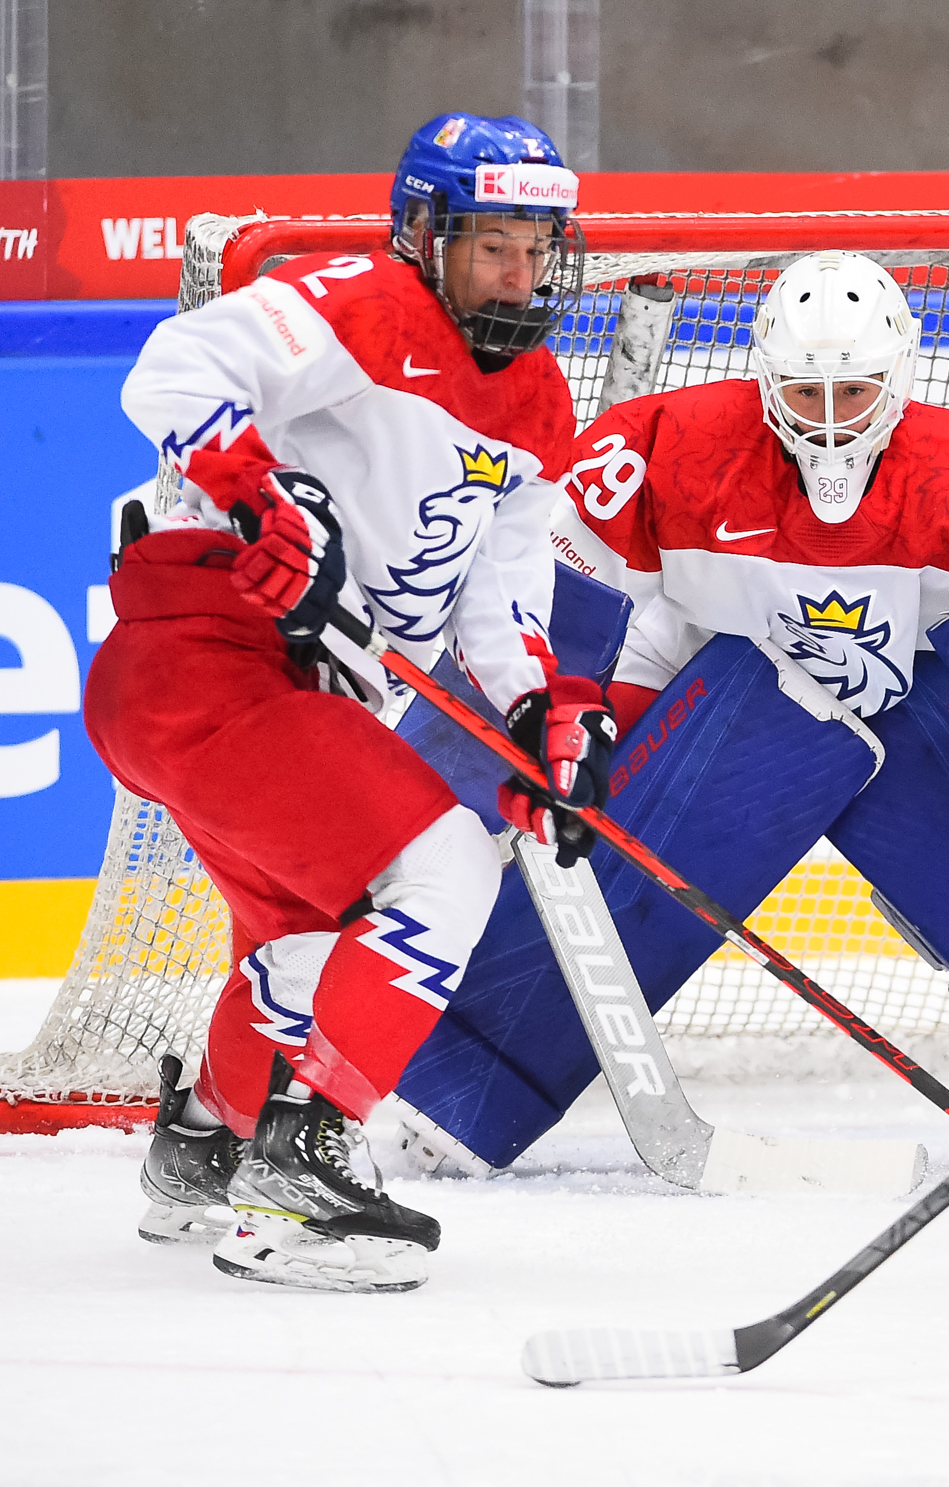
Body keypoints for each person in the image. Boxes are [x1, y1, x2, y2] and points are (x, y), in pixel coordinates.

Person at [384, 251, 949, 1247]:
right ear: (763, 376)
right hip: (698, 707)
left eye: (853, 390)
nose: (828, 419)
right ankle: (459, 1076)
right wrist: (542, 745)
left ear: (898, 376)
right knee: (706, 738)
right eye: (803, 393)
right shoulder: (662, 447)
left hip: (919, 730)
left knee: (917, 740)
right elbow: (537, 602)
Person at [92, 113, 611, 1292]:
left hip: (286, 695)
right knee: (446, 870)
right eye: (491, 245)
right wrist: (260, 491)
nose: (519, 274)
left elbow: (502, 585)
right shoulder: (361, 301)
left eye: (537, 248)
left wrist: (538, 712)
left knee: (313, 948)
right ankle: (303, 1176)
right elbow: (174, 367)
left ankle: (205, 1145)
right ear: (424, 234)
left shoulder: (537, 399)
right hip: (209, 651)